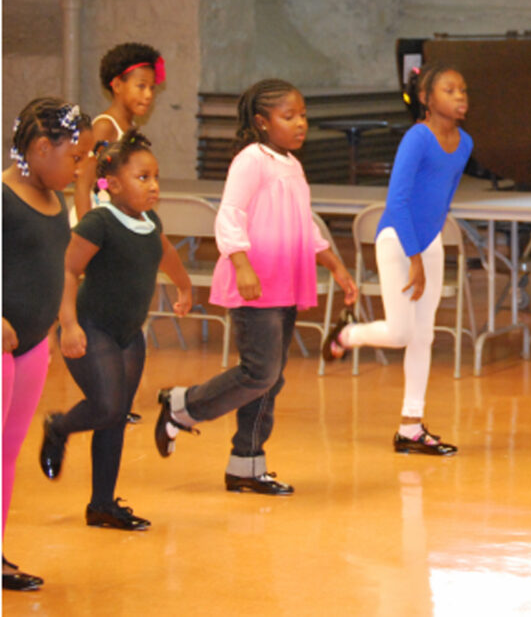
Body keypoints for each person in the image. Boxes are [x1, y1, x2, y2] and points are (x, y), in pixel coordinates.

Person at [156, 79, 357, 495]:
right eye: (289, 116)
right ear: (263, 122)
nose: (300, 123)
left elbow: (302, 223)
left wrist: (334, 263)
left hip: (285, 281)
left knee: (271, 377)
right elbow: (229, 214)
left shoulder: (292, 165)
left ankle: (246, 465)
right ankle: (182, 406)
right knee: (259, 371)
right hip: (255, 284)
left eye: (303, 115)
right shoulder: (252, 159)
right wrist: (242, 264)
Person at [39, 131, 192, 531]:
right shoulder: (100, 221)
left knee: (115, 416)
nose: (154, 185)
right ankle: (59, 427)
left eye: (156, 177)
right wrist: (68, 324)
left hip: (128, 333)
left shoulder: (150, 220)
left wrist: (185, 285)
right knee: (106, 406)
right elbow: (67, 270)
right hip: (91, 326)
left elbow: (166, 252)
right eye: (144, 177)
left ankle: (102, 505)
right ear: (115, 183)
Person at [322, 63, 472, 457]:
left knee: (425, 334)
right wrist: (415, 255)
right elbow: (398, 202)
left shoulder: (465, 143)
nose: (460, 97)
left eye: (464, 91)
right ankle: (348, 334)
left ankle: (411, 426)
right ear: (426, 99)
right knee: (402, 333)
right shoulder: (417, 139)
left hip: (429, 243)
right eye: (450, 90)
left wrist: (429, 246)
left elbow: (443, 200)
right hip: (397, 241)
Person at [3, 98, 92, 591]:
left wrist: (63, 320)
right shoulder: (3, 197)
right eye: (72, 157)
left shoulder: (55, 201)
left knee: (8, 452)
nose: (78, 167)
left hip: (32, 346)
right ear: (40, 148)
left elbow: (57, 267)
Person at [75, 42, 164, 218]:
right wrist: (86, 234)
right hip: (96, 221)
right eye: (141, 86)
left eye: (152, 88)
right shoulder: (105, 127)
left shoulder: (129, 128)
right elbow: (82, 186)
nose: (148, 95)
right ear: (117, 85)